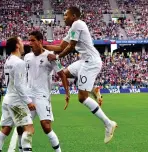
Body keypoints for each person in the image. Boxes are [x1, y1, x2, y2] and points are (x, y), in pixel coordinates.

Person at [45, 6, 117, 144]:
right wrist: (42, 47)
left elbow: (70, 47)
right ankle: (93, 89)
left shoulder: (78, 24)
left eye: (66, 15)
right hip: (84, 61)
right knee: (64, 74)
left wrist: (57, 57)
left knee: (82, 98)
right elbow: (60, 46)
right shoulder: (73, 28)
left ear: (73, 16)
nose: (64, 17)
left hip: (91, 63)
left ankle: (108, 124)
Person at [12, 31, 69, 152]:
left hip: (42, 96)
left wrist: (67, 93)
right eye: (29, 40)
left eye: (32, 40)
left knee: (46, 126)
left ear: (40, 41)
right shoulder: (27, 57)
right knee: (21, 127)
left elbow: (62, 74)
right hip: (28, 96)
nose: (30, 43)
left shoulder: (50, 56)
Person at [0, 36, 45, 152]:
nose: (24, 44)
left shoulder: (8, 61)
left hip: (8, 99)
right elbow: (19, 86)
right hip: (17, 101)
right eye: (21, 42)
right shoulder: (19, 63)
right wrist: (29, 101)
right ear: (17, 46)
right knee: (29, 129)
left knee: (5, 130)